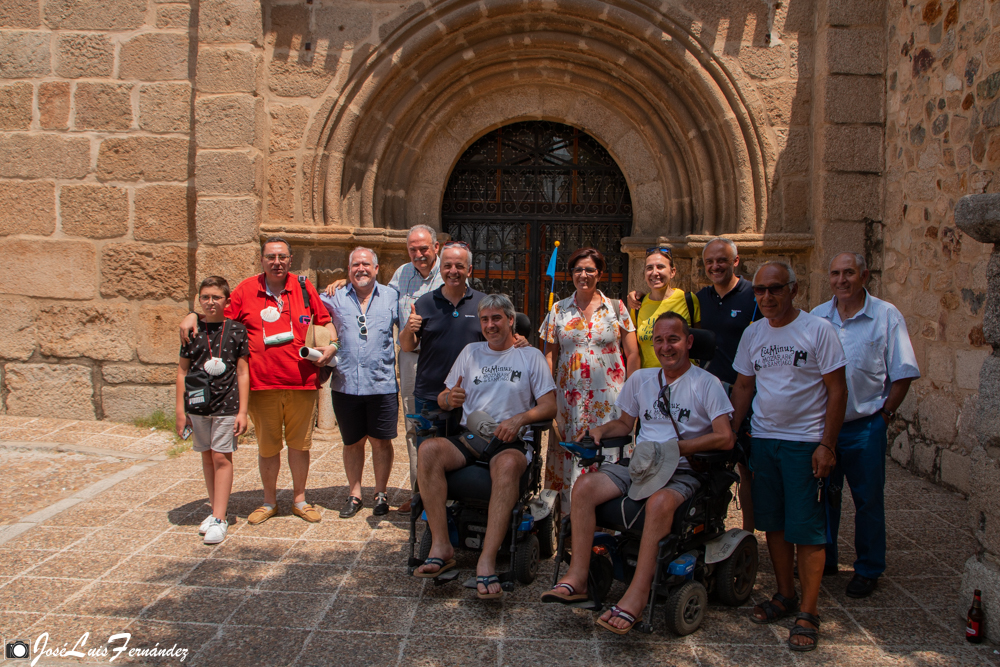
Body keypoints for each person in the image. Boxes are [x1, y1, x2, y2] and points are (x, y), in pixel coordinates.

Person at [542, 312, 734, 635]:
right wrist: (601, 429)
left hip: (685, 471)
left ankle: (637, 594)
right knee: (585, 487)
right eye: (658, 340)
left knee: (659, 503)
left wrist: (679, 448)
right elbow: (625, 425)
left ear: (688, 342)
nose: (665, 346)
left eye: (673, 339)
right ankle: (578, 577)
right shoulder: (642, 380)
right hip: (641, 465)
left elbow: (725, 437)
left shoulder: (707, 384)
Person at [729, 261, 848, 652]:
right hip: (764, 441)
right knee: (775, 525)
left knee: (807, 529)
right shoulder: (753, 334)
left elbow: (837, 390)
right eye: (760, 290)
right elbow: (744, 386)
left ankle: (809, 611)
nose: (766, 297)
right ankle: (785, 595)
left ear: (794, 290)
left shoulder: (818, 330)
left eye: (775, 289)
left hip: (805, 443)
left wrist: (827, 445)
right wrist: (729, 434)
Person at [179, 237, 337, 525]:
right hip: (262, 384)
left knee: (300, 445)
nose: (276, 262)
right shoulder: (246, 290)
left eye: (282, 257)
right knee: (268, 446)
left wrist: (332, 344)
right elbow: (217, 315)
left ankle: (300, 500)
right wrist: (193, 314)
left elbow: (325, 320)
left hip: (301, 381)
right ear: (262, 260)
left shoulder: (303, 287)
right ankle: (269, 501)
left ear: (291, 259)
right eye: (270, 257)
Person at [413, 294, 557, 599]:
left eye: (496, 318)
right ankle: (441, 545)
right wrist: (447, 399)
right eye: (485, 320)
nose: (490, 325)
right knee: (427, 450)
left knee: (506, 466)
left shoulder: (529, 357)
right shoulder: (471, 352)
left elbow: (549, 407)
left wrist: (521, 419)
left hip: (511, 442)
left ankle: (487, 559)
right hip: (472, 436)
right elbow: (444, 395)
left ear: (510, 321)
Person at [811, 252, 920, 598]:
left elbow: (902, 372)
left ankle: (869, 567)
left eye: (849, 273)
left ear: (864, 275)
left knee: (868, 499)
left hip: (865, 425)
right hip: (824, 426)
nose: (841, 280)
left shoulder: (886, 316)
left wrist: (885, 415)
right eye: (835, 274)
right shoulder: (817, 317)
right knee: (823, 495)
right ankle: (825, 558)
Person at [326, 225, 442, 514]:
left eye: (424, 248)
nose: (419, 254)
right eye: (355, 265)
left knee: (441, 429)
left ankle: (436, 497)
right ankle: (415, 497)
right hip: (404, 362)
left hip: (439, 361)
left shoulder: (449, 271)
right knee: (412, 429)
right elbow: (310, 309)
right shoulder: (398, 278)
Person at [539, 247, 639, 512]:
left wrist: (633, 397)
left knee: (608, 453)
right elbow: (549, 356)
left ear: (600, 274)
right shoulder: (558, 310)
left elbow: (633, 353)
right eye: (578, 269)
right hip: (569, 403)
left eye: (590, 270)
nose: (584, 275)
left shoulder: (617, 308)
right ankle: (569, 522)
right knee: (570, 453)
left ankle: (608, 524)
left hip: (610, 401)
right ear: (571, 273)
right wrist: (547, 399)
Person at [321, 247, 400, 518]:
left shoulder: (392, 296)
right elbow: (304, 307)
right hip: (346, 384)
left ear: (377, 269)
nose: (361, 269)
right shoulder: (334, 296)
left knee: (381, 441)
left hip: (381, 383)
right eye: (355, 265)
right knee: (352, 442)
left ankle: (380, 493)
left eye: (366, 264)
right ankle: (354, 494)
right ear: (348, 268)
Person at [175, 276, 250, 544]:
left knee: (221, 457)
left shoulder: (237, 330)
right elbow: (182, 371)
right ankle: (215, 509)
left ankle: (220, 518)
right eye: (205, 297)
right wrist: (180, 411)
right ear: (199, 300)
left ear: (226, 301)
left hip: (226, 405)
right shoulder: (191, 331)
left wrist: (242, 411)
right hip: (198, 404)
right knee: (207, 456)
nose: (210, 302)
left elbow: (242, 372)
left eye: (216, 297)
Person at [694, 237, 760, 531]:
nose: (715, 266)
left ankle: (748, 533)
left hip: (748, 395)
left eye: (722, 260)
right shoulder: (698, 299)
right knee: (706, 466)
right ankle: (707, 527)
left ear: (736, 261)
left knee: (748, 471)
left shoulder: (754, 297)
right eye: (709, 261)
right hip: (709, 397)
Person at [630, 247, 700, 368]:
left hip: (682, 378)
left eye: (660, 267)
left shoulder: (687, 300)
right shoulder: (638, 304)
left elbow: (699, 341)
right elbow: (634, 351)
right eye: (649, 268)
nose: (654, 272)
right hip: (650, 380)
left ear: (672, 272)